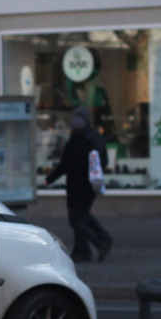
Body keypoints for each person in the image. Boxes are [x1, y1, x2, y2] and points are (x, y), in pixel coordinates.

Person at [46, 107, 113, 262]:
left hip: (77, 186)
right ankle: (82, 250)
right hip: (90, 185)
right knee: (84, 216)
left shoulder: (75, 142)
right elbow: (103, 161)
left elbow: (65, 165)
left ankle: (99, 241)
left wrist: (49, 180)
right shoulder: (95, 137)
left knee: (77, 219)